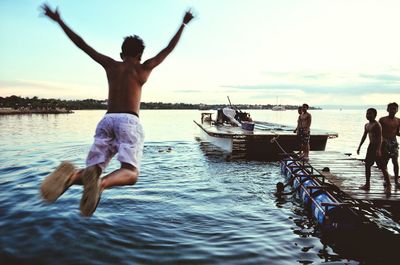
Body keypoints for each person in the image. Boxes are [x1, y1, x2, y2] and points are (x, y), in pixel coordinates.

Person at [39, 4, 194, 216]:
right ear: (140, 55)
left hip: (106, 121)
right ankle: (101, 185)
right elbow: (168, 49)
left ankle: (71, 176)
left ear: (121, 54)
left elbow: (82, 45)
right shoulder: (143, 68)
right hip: (128, 122)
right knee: (131, 173)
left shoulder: (111, 65)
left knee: (92, 169)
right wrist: (183, 24)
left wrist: (59, 21)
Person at [357, 108, 391, 194]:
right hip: (371, 146)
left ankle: (389, 186)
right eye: (367, 113)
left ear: (375, 115)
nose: (368, 115)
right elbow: (364, 136)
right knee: (367, 165)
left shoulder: (377, 125)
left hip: (379, 146)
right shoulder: (367, 125)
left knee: (382, 167)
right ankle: (367, 184)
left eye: (370, 114)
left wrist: (379, 149)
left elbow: (380, 138)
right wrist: (359, 147)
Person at [379, 102, 400, 188]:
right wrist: (381, 142)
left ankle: (396, 180)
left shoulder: (398, 120)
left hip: (394, 142)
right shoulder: (382, 120)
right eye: (391, 109)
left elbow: (397, 132)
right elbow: (378, 132)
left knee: (395, 162)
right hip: (384, 141)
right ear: (388, 110)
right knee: (385, 162)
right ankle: (386, 180)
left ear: (397, 110)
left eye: (394, 109)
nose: (393, 110)